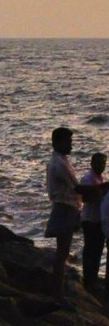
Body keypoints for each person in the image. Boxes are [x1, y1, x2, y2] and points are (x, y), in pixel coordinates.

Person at [45, 127, 105, 297]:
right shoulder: (60, 163)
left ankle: (58, 287)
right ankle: (58, 290)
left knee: (62, 250)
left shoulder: (59, 160)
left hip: (65, 207)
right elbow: (78, 188)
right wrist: (102, 187)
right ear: (57, 142)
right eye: (68, 142)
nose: (71, 145)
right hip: (65, 208)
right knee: (63, 251)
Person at [80, 152, 107, 292]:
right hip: (90, 220)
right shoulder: (88, 178)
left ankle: (92, 279)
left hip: (98, 220)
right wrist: (102, 191)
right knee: (91, 250)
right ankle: (88, 280)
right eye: (98, 163)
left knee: (97, 251)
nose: (101, 166)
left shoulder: (99, 178)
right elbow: (85, 198)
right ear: (92, 163)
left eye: (103, 163)